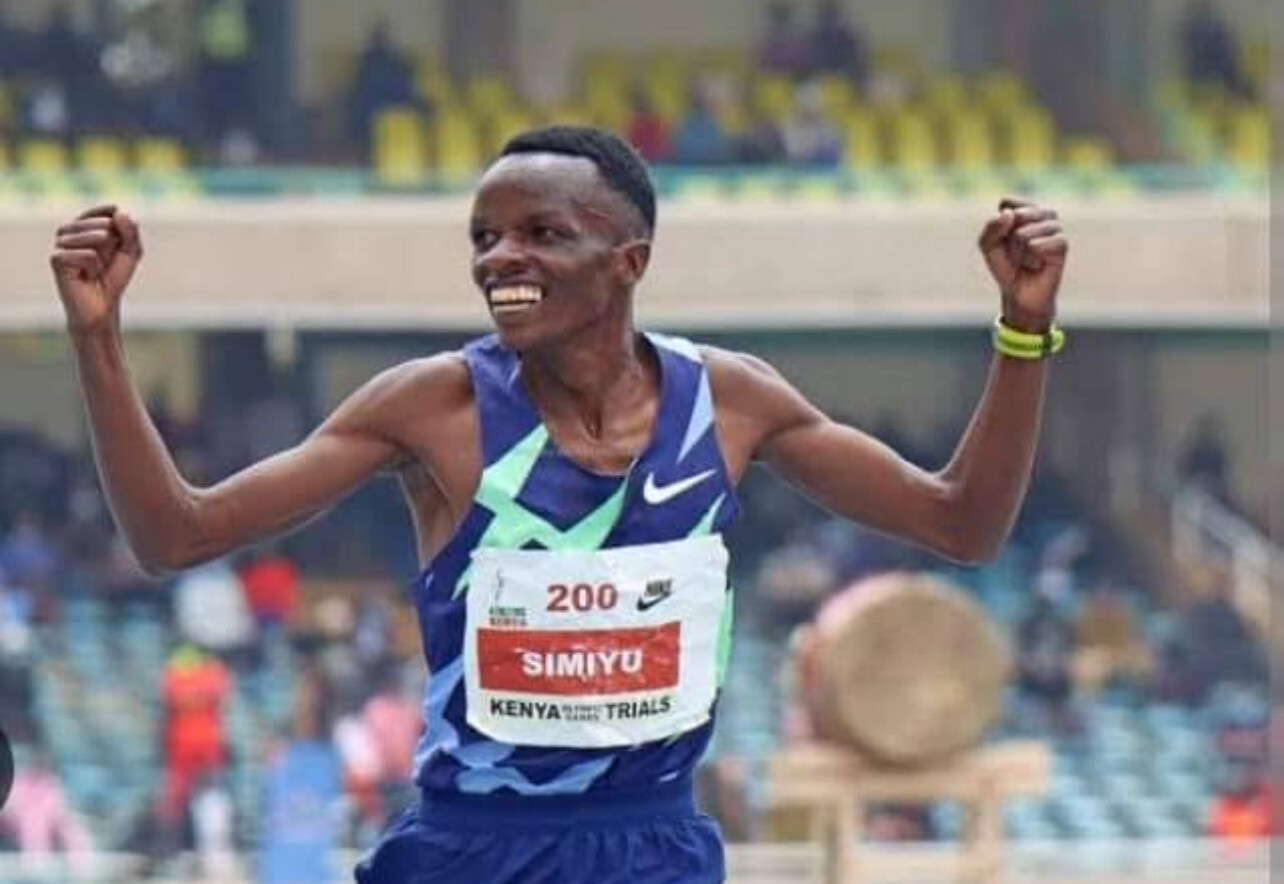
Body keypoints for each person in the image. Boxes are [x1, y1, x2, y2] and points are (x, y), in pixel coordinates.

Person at [49, 124, 1067, 883]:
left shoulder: (729, 402)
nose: (500, 257)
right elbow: (175, 533)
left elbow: (961, 522)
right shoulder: (435, 408)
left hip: (654, 842)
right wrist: (97, 337)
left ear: (629, 260)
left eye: (542, 231)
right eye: (484, 236)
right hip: (471, 848)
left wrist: (1024, 330)